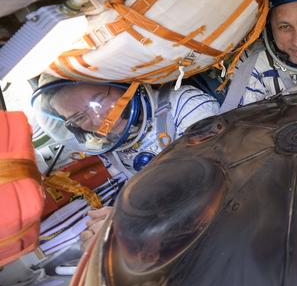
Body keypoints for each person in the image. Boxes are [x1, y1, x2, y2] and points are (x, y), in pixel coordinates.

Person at [31, 77, 220, 248]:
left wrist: (127, 223)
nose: (97, 119)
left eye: (98, 101)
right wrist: (115, 220)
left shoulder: (184, 104)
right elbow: (149, 193)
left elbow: (205, 186)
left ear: (120, 85)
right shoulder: (110, 151)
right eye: (79, 118)